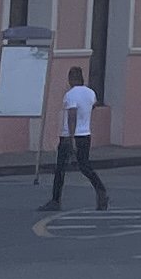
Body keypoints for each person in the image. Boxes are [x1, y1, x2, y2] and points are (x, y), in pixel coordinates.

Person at [44, 68, 109, 212]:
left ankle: (55, 200)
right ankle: (101, 191)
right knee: (85, 166)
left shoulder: (70, 95)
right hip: (85, 134)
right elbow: (92, 107)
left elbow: (72, 117)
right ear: (82, 78)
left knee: (60, 168)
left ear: (70, 79)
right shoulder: (91, 93)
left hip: (69, 136)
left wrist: (71, 138)